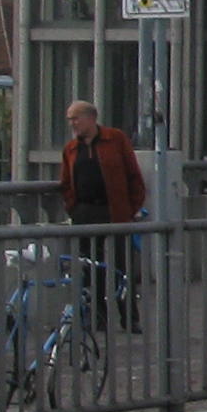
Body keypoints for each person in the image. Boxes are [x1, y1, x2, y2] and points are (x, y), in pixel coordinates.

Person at [57, 98, 147, 331]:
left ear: (91, 118)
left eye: (76, 118)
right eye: (70, 119)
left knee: (120, 266)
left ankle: (130, 317)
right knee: (89, 267)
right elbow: (66, 182)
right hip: (85, 212)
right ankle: (98, 317)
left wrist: (129, 209)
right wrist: (73, 207)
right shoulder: (71, 149)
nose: (73, 124)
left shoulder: (115, 139)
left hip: (114, 211)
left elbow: (133, 176)